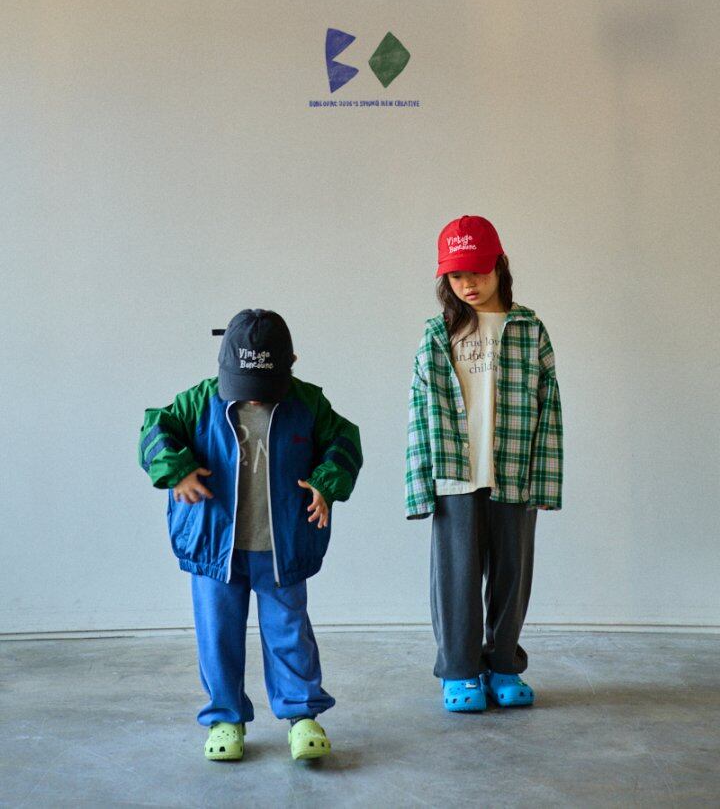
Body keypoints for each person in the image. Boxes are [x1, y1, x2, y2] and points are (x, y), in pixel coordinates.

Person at [138, 309, 362, 760]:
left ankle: (302, 716)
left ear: (291, 363)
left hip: (281, 547)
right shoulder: (199, 401)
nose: (254, 398)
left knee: (290, 633)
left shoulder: (307, 403)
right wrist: (176, 470)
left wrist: (326, 483)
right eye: (242, 385)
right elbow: (153, 429)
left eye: (265, 386)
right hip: (213, 547)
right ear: (223, 366)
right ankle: (225, 718)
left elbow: (344, 442)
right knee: (217, 635)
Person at [406, 215, 563, 712]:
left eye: (477, 271)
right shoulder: (437, 334)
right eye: (456, 275)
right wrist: (418, 488)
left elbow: (549, 406)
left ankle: (503, 665)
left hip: (515, 471)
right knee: (456, 579)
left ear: (500, 265)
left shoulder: (529, 328)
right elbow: (418, 412)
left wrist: (547, 481)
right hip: (455, 474)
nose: (468, 284)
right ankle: (459, 671)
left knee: (513, 575)